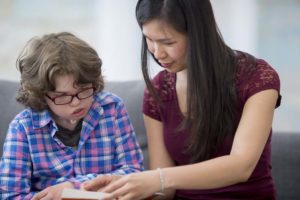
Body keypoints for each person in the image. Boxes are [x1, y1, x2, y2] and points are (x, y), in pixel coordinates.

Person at [82, 0, 281, 199]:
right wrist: (121, 189)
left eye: (168, 42)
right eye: (149, 39)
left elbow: (241, 166)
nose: (157, 53)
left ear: (199, 35)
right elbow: (165, 192)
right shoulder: (158, 90)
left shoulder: (256, 77)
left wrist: (158, 178)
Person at [0, 32, 143, 200]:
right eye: (62, 96)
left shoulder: (112, 109)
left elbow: (133, 172)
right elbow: (11, 194)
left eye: (83, 90)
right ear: (41, 95)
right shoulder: (23, 127)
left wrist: (74, 187)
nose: (76, 103)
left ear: (94, 83)